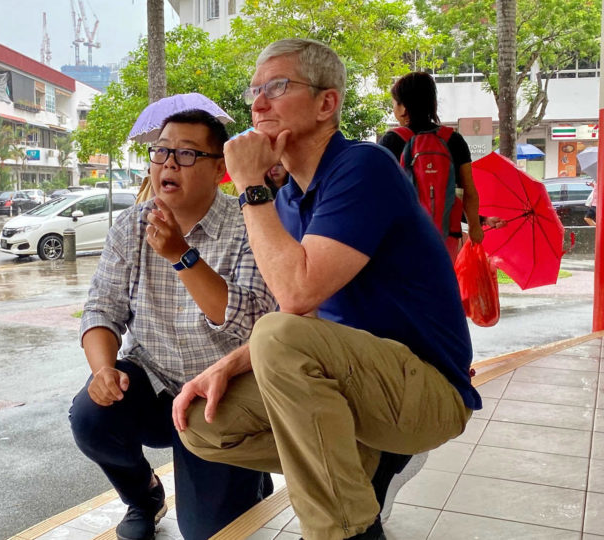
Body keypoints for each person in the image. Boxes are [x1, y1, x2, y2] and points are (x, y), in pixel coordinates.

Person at [172, 39, 482, 540]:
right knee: (203, 423)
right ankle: (357, 461)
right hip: (356, 384)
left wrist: (252, 185)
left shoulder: (363, 167)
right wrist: (225, 365)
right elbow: (307, 318)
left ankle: (347, 531)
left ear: (326, 103)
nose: (258, 104)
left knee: (277, 333)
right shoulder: (290, 198)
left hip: (428, 392)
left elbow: (294, 299)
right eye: (255, 91)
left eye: (276, 86)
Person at [70, 109, 276, 540]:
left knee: (206, 532)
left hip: (222, 392)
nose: (167, 163)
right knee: (91, 416)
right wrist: (103, 370)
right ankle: (143, 495)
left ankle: (251, 479)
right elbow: (100, 309)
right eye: (161, 151)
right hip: (154, 381)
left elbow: (254, 322)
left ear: (220, 168)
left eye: (186, 154)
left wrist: (183, 257)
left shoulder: (246, 225)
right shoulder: (132, 224)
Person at [378, 72, 494, 260]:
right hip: (446, 236)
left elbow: (376, 193)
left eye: (394, 103)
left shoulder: (391, 141)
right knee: (438, 286)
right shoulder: (454, 141)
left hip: (402, 239)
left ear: (403, 107)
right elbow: (469, 191)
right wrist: (474, 227)